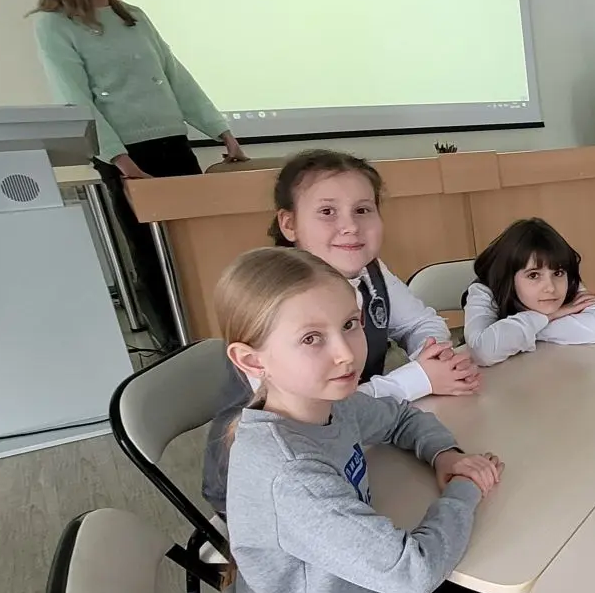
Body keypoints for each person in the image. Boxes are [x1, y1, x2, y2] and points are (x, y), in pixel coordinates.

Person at [216, 247, 572, 593]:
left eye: (350, 325)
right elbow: (414, 571)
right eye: (311, 338)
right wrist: (466, 488)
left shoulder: (325, 403)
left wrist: (445, 455)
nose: (345, 352)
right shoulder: (288, 471)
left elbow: (401, 416)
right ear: (252, 359)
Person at [202, 150, 479, 516]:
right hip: (273, 484)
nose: (350, 226)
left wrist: (434, 356)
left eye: (362, 210)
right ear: (289, 224)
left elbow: (421, 323)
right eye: (327, 211)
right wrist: (418, 378)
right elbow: (317, 407)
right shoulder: (273, 302)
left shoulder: (370, 272)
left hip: (350, 444)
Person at [30, 0, 247, 339]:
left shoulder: (134, 16)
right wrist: (120, 160)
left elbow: (175, 77)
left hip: (173, 144)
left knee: (199, 243)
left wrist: (222, 131)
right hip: (127, 155)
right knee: (151, 253)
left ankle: (221, 332)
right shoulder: (54, 26)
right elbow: (75, 99)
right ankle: (175, 344)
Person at [462, 217, 595, 366]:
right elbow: (482, 352)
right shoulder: (485, 291)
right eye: (534, 275)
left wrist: (521, 333)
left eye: (558, 273)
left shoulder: (569, 283)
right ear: (509, 277)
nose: (551, 288)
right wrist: (550, 316)